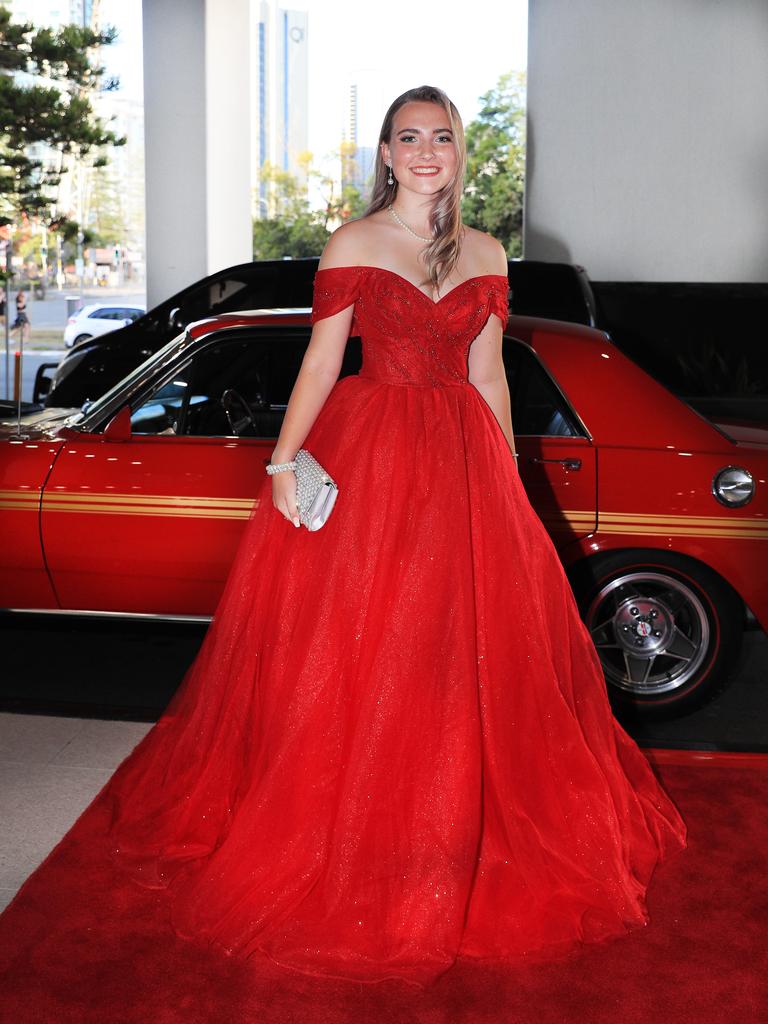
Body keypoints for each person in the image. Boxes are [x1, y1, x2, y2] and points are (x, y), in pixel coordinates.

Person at [0, 85, 686, 991]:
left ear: (456, 154)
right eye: (411, 137)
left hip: (462, 463)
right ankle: (363, 823)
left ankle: (445, 827)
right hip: (371, 456)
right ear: (389, 153)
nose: (429, 152)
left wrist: (507, 476)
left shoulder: (485, 253)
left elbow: (488, 373)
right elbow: (323, 359)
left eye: (443, 137)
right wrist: (285, 463)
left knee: (456, 648)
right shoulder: (354, 244)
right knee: (367, 643)